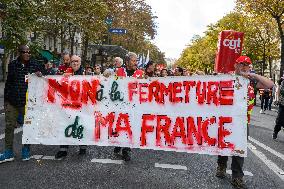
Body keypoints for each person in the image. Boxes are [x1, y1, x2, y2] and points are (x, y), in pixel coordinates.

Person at [215, 55, 274, 188]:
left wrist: (254, 75)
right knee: (224, 146)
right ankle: (221, 166)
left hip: (242, 122)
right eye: (241, 64)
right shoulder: (227, 77)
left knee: (239, 149)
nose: (244, 67)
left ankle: (237, 177)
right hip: (226, 119)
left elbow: (270, 84)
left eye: (247, 65)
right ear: (235, 65)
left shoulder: (251, 82)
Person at [0, 45, 43, 163]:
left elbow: (44, 77)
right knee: (9, 126)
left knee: (28, 127)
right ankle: (8, 152)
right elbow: (8, 84)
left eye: (29, 52)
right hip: (12, 101)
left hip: (28, 103)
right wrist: (6, 102)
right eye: (25, 52)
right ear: (19, 53)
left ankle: (26, 149)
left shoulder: (35, 64)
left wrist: (41, 73)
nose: (27, 54)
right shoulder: (13, 65)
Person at [55, 55, 87, 159]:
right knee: (65, 124)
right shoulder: (65, 73)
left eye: (77, 61)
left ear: (80, 62)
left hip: (81, 104)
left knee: (81, 124)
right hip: (67, 104)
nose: (75, 63)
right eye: (73, 61)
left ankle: (82, 146)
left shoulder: (86, 73)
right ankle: (63, 149)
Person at [114, 52, 144, 161]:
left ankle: (126, 150)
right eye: (134, 60)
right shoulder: (118, 72)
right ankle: (119, 142)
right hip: (120, 105)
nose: (136, 62)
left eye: (136, 60)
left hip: (133, 106)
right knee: (120, 125)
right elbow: (112, 85)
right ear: (127, 62)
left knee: (130, 127)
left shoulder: (141, 73)